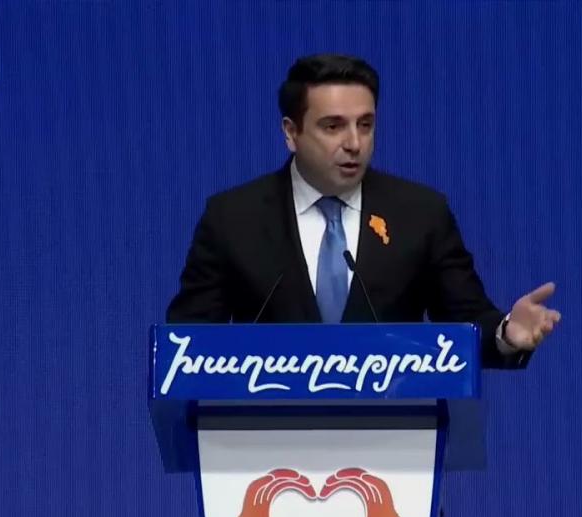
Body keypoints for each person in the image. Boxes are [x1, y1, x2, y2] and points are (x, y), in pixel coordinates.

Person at [166, 54, 559, 368]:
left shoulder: (420, 214)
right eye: (333, 126)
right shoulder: (234, 218)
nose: (354, 143)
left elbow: (468, 322)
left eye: (365, 125)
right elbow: (185, 345)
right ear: (291, 132)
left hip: (395, 433)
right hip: (261, 434)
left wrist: (506, 334)